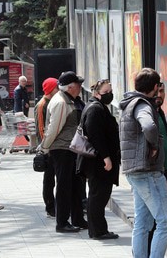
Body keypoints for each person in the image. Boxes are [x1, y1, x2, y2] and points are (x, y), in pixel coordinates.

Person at [119, 67, 167, 258]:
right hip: (147, 171)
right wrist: (154, 146)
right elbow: (149, 126)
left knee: (143, 223)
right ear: (153, 87)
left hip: (136, 171)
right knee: (166, 223)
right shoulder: (143, 105)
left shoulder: (130, 103)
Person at [40, 71, 88, 233]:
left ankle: (78, 219)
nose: (80, 88)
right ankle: (62, 222)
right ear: (70, 87)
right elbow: (53, 129)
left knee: (75, 185)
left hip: (70, 148)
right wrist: (45, 147)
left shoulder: (67, 100)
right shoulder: (61, 102)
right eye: (78, 85)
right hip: (62, 149)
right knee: (64, 186)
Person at [77, 79, 120, 240]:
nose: (109, 94)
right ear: (96, 93)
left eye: (110, 91)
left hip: (98, 161)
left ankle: (98, 229)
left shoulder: (98, 107)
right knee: (98, 195)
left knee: (99, 195)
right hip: (98, 162)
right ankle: (97, 230)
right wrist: (106, 157)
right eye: (106, 92)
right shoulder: (95, 109)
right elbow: (96, 136)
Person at [147, 82, 167, 254]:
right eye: (156, 90)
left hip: (161, 174)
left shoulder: (159, 112)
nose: (159, 94)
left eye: (162, 91)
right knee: (160, 222)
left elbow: (166, 143)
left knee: (154, 221)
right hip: (151, 174)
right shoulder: (147, 112)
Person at [34, 77, 59, 217]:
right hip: (48, 149)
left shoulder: (52, 102)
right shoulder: (42, 105)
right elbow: (41, 128)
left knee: (52, 178)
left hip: (53, 146)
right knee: (49, 179)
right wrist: (45, 148)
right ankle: (50, 206)